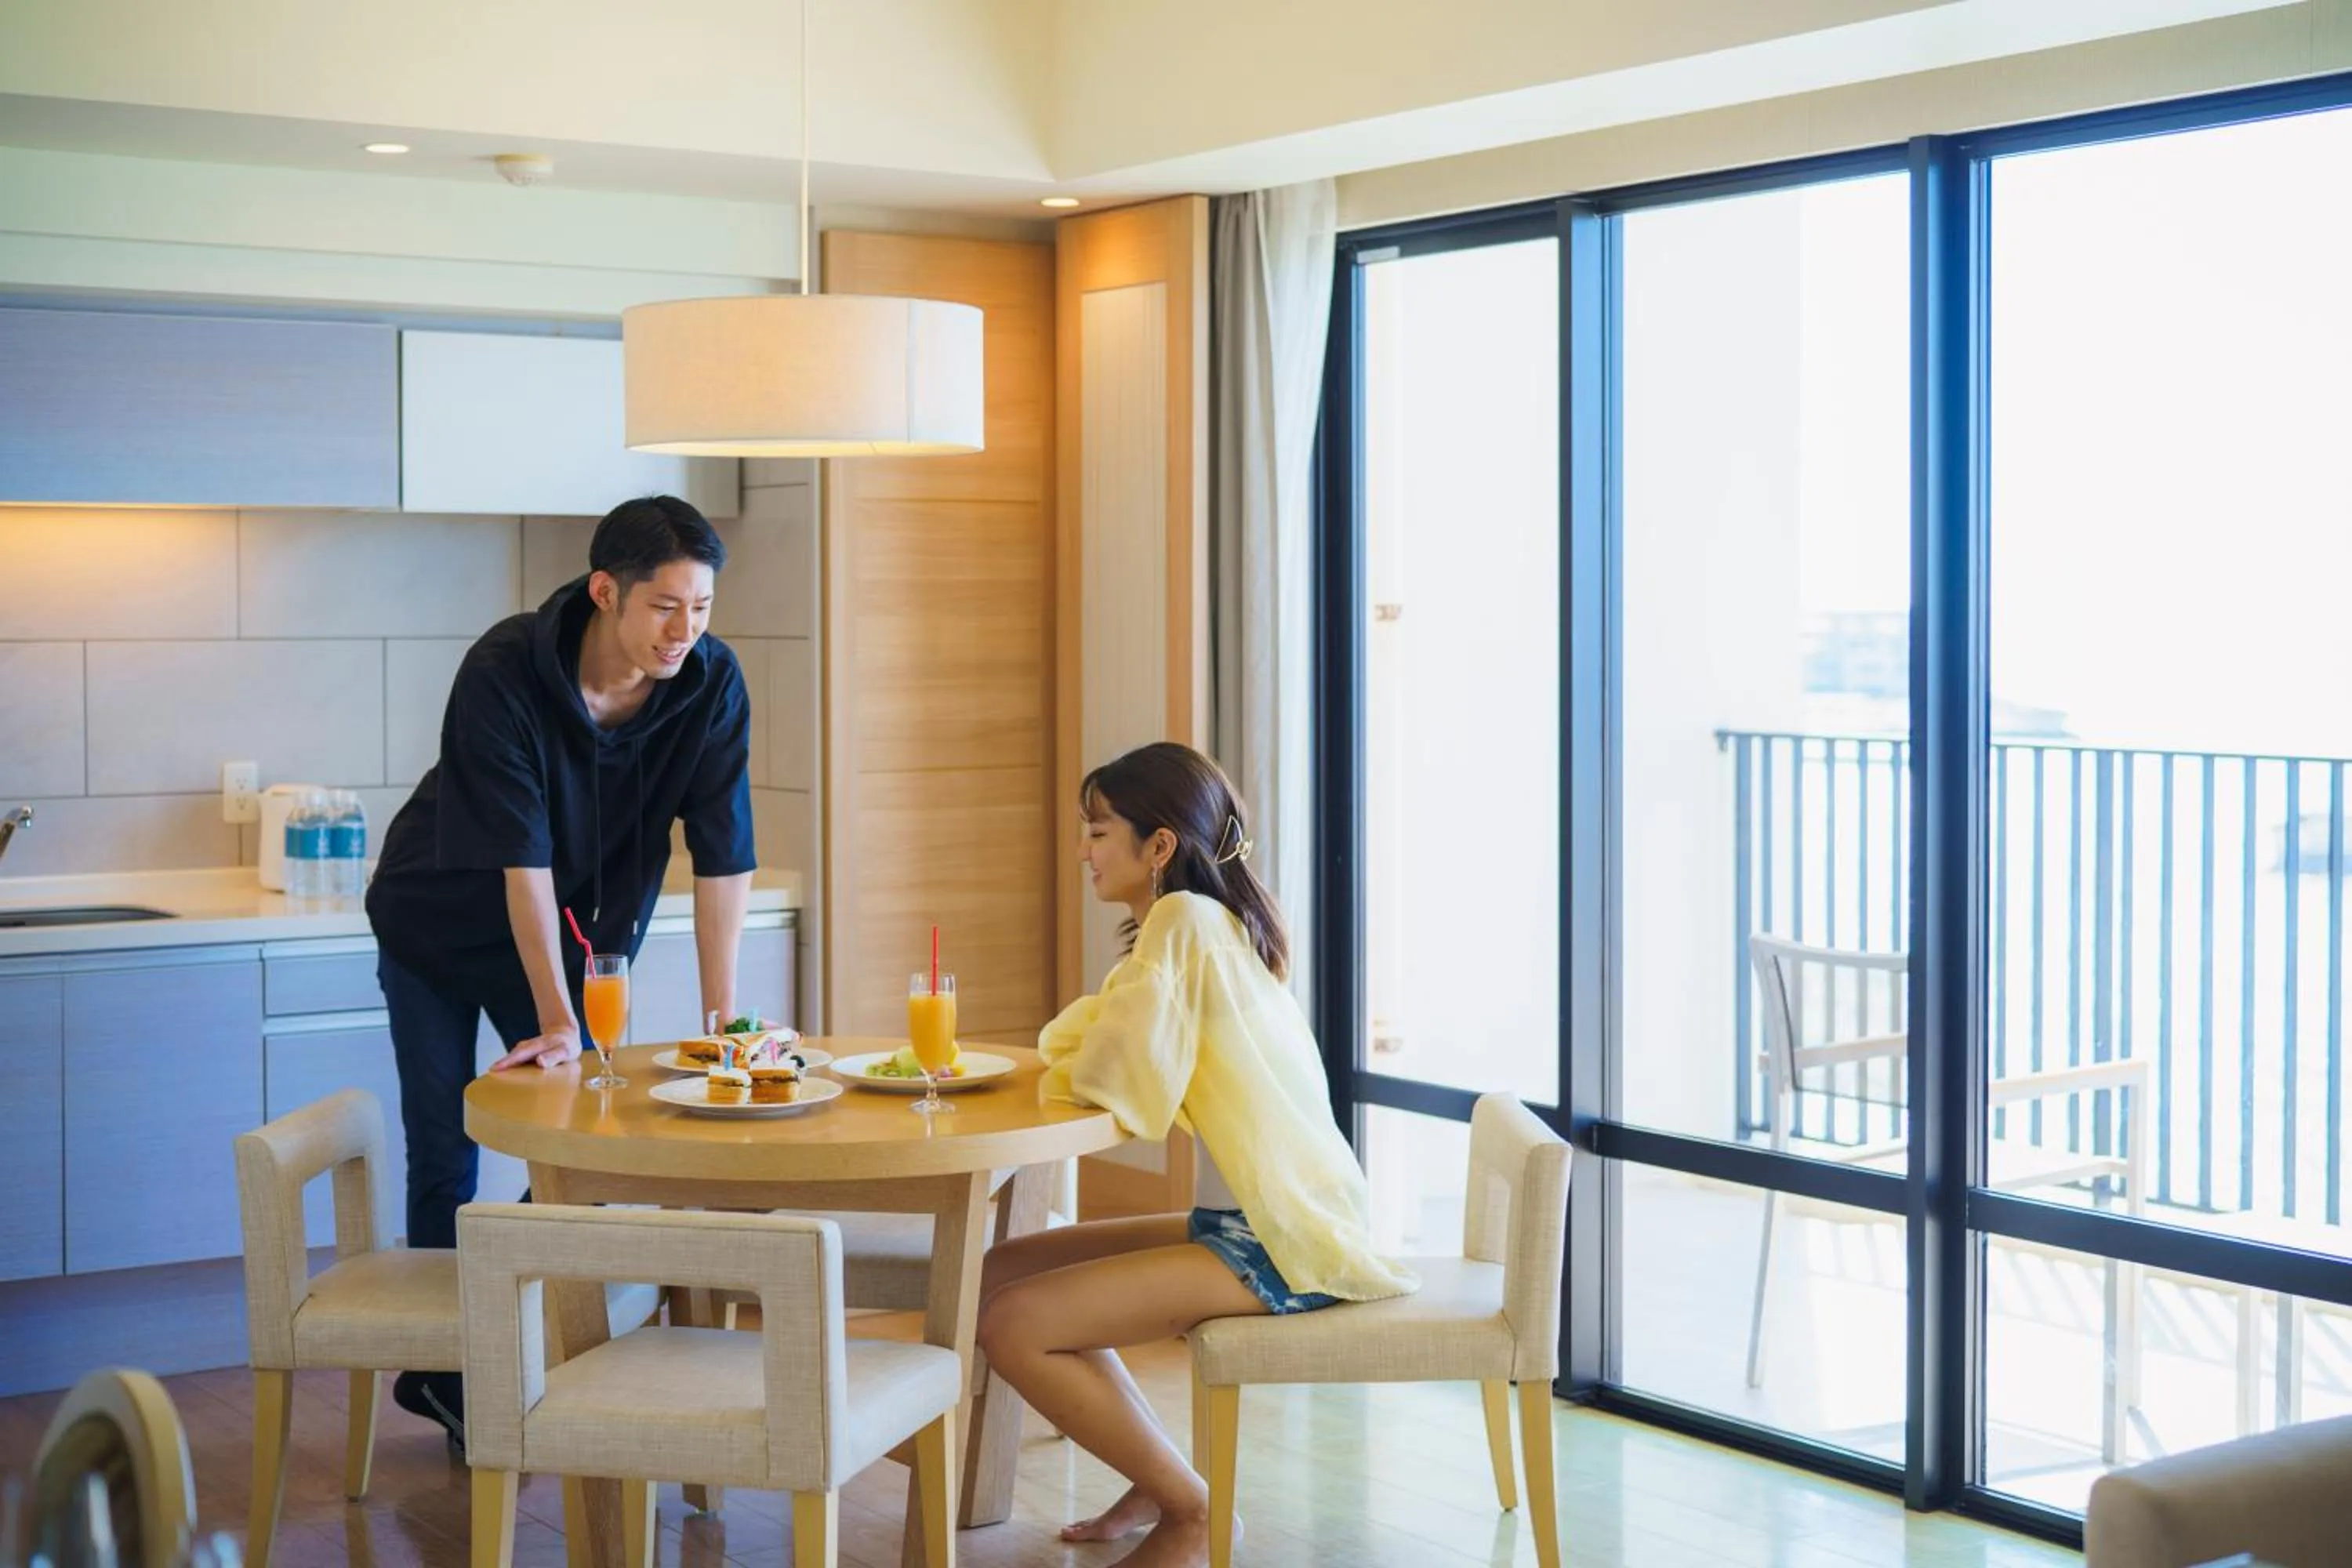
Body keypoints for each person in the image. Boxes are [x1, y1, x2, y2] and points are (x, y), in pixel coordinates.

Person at [364, 495, 758, 1450]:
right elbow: (521, 864)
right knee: (446, 1143)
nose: (685, 631)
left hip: (572, 924)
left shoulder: (710, 681)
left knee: (589, 1137)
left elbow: (723, 853)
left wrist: (724, 1018)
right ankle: (446, 1373)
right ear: (605, 591)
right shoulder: (505, 669)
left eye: (702, 607)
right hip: (438, 915)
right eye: (666, 606)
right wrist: (556, 1019)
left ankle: (516, 1327)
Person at [974, 742, 1417, 1568]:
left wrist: (1079, 1061)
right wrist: (1082, 1058)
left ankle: (1192, 1511)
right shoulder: (1202, 922)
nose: (1083, 849)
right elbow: (1102, 1041)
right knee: (1002, 1269)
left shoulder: (1183, 922)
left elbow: (1125, 1085)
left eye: (1098, 830)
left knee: (1013, 1321)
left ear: (1161, 845)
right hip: (1277, 1217)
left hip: (1290, 1243)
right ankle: (1155, 1476)